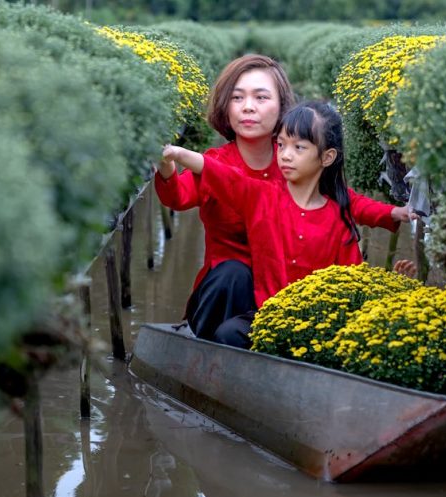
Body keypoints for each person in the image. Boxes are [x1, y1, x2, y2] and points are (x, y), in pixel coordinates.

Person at [155, 55, 413, 342]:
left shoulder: (295, 165)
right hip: (229, 295)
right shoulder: (220, 167)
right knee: (234, 274)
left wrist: (391, 213)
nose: (248, 107)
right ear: (225, 106)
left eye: (261, 97)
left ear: (281, 107)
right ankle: (215, 353)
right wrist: (169, 165)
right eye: (237, 98)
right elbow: (179, 194)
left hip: (282, 292)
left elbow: (343, 201)